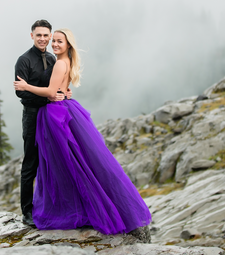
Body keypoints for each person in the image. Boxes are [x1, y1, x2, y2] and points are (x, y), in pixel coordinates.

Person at [14, 28, 151, 235]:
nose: (54, 44)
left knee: (63, 163)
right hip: (62, 109)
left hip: (54, 114)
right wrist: (62, 91)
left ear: (68, 44)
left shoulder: (58, 62)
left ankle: (70, 208)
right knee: (74, 161)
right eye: (55, 41)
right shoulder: (58, 60)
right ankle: (76, 207)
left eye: (59, 41)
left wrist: (27, 86)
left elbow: (52, 92)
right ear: (32, 35)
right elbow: (58, 88)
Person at [14, 20, 69, 227]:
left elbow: (55, 85)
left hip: (50, 115)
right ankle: (27, 212)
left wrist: (63, 93)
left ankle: (53, 206)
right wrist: (47, 98)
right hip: (32, 115)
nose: (43, 39)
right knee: (31, 163)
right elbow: (20, 91)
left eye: (46, 35)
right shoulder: (24, 60)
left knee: (53, 160)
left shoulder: (52, 58)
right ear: (32, 36)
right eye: (39, 35)